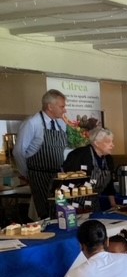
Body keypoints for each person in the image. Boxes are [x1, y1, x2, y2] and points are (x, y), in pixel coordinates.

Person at [14, 89, 68, 219]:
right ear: (50, 106)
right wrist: (26, 173)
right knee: (46, 213)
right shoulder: (32, 123)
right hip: (39, 175)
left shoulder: (61, 124)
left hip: (58, 176)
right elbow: (18, 151)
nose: (64, 110)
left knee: (61, 210)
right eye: (62, 106)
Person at [62, 127, 117, 211]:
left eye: (112, 141)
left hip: (93, 203)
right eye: (108, 142)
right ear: (96, 143)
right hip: (72, 203)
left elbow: (109, 185)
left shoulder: (108, 159)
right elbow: (66, 181)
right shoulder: (79, 155)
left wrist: (113, 204)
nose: (112, 145)